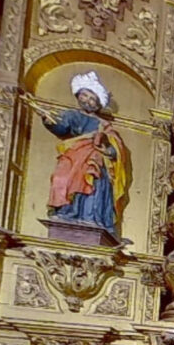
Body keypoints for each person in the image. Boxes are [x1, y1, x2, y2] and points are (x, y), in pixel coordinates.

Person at [43, 73, 124, 241]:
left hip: (95, 158)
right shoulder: (71, 115)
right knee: (62, 178)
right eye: (84, 95)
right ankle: (65, 212)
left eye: (92, 97)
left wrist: (106, 146)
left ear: (98, 103)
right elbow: (61, 128)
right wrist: (50, 121)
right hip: (74, 154)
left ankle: (92, 217)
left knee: (94, 185)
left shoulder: (103, 125)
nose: (87, 100)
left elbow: (115, 147)